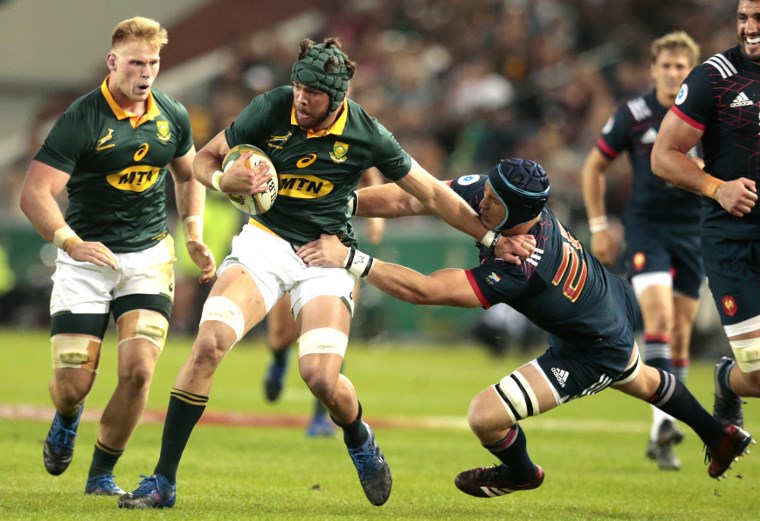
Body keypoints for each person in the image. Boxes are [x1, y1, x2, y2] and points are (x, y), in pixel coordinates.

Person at [118, 37, 533, 509]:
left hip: (327, 254)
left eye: (312, 93)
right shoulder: (272, 107)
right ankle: (162, 482)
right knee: (209, 343)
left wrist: (492, 240)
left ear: (338, 98)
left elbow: (433, 195)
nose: (300, 98)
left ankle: (357, 435)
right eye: (298, 87)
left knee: (319, 376)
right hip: (265, 243)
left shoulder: (367, 133)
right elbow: (203, 159)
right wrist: (220, 179)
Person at [299, 158, 754, 496]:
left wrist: (351, 259)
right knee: (638, 376)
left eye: (494, 202)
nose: (483, 201)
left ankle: (521, 472)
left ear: (519, 216)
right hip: (599, 303)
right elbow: (411, 197)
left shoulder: (522, 264)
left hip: (590, 346)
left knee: (485, 415)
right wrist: (347, 201)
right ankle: (719, 435)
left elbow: (426, 291)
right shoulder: (498, 194)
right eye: (489, 191)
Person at [18, 17, 216, 496]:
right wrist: (70, 242)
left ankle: (101, 475)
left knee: (140, 370)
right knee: (72, 386)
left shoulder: (172, 114)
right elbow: (35, 193)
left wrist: (192, 232)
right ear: (113, 62)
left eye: (152, 64)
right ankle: (67, 418)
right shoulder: (81, 118)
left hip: (148, 257)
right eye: (135, 63)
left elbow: (188, 175)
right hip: (86, 261)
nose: (145, 73)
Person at [581, 31, 703, 471]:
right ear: (653, 70)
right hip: (647, 229)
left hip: (696, 232)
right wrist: (598, 225)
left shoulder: (708, 113)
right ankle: (665, 423)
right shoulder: (634, 114)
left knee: (683, 334)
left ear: (691, 71)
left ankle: (659, 433)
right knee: (660, 318)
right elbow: (594, 166)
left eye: (681, 66)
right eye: (666, 66)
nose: (673, 73)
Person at [651, 0, 760, 431]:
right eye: (743, 18)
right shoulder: (715, 78)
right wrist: (717, 188)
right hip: (734, 242)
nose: (750, 29)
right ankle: (727, 379)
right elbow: (663, 156)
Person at [263, 194, 386, 438]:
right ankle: (279, 358)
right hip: (287, 243)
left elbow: (372, 167)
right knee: (280, 336)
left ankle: (320, 418)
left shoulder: (348, 154)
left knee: (330, 338)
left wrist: (377, 215)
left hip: (335, 248)